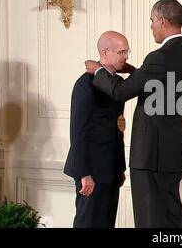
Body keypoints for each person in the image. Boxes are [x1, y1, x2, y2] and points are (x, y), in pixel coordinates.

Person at [85, 0, 182, 228]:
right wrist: (136, 72)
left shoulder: (159, 57)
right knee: (172, 217)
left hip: (150, 154)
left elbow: (120, 92)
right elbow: (163, 84)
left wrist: (99, 72)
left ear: (163, 21)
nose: (152, 26)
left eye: (152, 21)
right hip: (173, 151)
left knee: (150, 220)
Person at [64, 31, 134, 228]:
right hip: (91, 171)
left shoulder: (117, 84)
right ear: (104, 52)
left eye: (127, 51)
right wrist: (84, 173)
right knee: (87, 223)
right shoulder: (85, 84)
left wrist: (119, 166)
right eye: (121, 52)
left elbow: (117, 130)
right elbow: (78, 131)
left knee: (106, 224)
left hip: (111, 169)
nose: (126, 56)